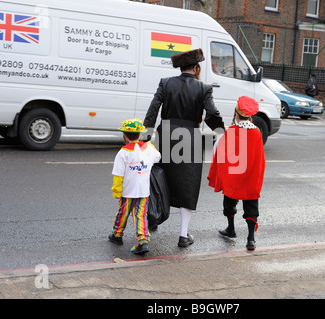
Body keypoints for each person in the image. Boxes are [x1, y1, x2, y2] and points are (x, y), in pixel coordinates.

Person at [143, 48, 226, 248]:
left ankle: (151, 220)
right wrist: (221, 131)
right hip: (191, 137)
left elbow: (154, 108)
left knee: (159, 177)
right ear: (196, 68)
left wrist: (146, 136)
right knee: (188, 185)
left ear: (181, 68)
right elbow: (211, 113)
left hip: (166, 135)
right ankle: (183, 235)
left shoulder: (166, 82)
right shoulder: (204, 88)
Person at [207, 96, 266, 251]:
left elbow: (223, 156)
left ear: (237, 114)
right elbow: (259, 159)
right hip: (250, 177)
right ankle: (251, 239)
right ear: (250, 116)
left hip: (233, 176)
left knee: (229, 201)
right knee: (251, 205)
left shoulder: (231, 131)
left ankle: (231, 229)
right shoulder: (257, 133)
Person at [109, 118, 161, 255]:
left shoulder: (123, 153)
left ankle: (117, 235)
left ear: (124, 136)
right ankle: (143, 240)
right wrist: (149, 144)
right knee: (141, 215)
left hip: (127, 191)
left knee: (123, 213)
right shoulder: (148, 149)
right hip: (143, 191)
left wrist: (116, 190)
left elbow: (118, 175)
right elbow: (158, 157)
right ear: (140, 135)